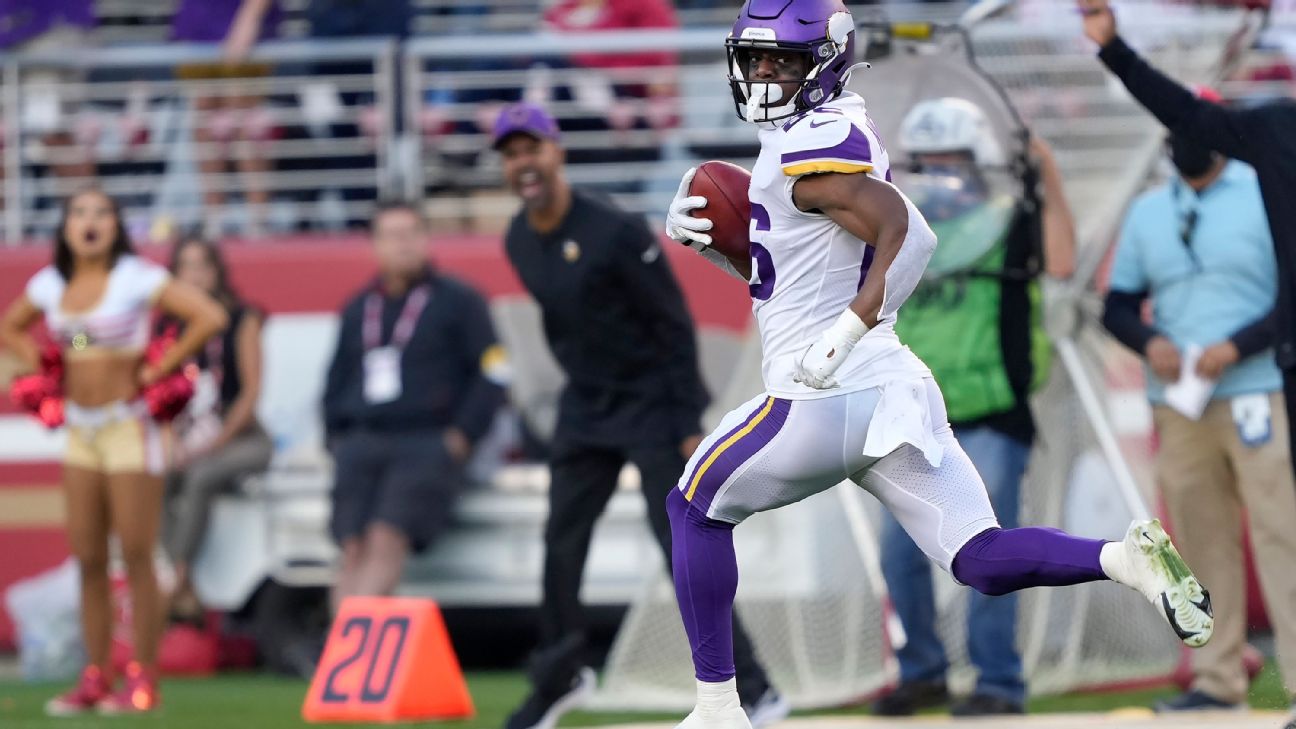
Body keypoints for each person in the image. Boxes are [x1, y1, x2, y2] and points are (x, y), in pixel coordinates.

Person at [662, 2, 1213, 727]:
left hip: (820, 395)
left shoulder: (811, 143)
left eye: (785, 61)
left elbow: (909, 234)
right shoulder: (817, 134)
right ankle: (1124, 560)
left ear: (822, 63)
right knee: (980, 558)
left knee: (693, 507)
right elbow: (799, 277)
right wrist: (728, 248)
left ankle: (718, 706)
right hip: (891, 391)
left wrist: (846, 332)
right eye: (757, 59)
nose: (765, 73)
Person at [493, 102, 787, 729]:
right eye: (511, 154)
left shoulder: (614, 229)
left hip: (653, 403)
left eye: (532, 149)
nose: (524, 163)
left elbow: (673, 326)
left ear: (556, 152)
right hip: (587, 406)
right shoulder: (517, 238)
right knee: (560, 545)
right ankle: (561, 674)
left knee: (679, 545)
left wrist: (685, 420)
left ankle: (754, 690)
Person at [872, 98, 1076, 717]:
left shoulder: (1010, 219)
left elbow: (1062, 260)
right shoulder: (898, 231)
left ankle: (998, 682)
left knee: (988, 554)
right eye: (925, 162)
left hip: (990, 417)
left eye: (952, 160)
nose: (938, 173)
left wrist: (1047, 174)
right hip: (914, 422)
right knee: (899, 557)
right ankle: (924, 672)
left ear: (980, 161)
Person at [0, 189, 227, 715]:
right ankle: (96, 675)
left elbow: (209, 317)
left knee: (138, 555)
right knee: (88, 558)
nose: (90, 221)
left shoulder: (136, 278)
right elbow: (42, 332)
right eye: (78, 213)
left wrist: (159, 367)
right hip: (81, 430)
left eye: (101, 212)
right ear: (64, 228)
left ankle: (144, 677)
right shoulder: (53, 285)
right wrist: (48, 359)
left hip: (131, 427)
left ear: (116, 225)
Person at [1102, 134, 1296, 714]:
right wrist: (1149, 340)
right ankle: (1216, 680)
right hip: (1181, 402)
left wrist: (1238, 346)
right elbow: (1117, 304)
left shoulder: (1265, 193)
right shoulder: (1148, 210)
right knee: (1199, 539)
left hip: (1260, 390)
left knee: (1283, 533)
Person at [1079, 0, 1296, 489]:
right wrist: (1114, 51)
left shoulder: (1263, 156)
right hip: (1254, 377)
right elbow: (1185, 112)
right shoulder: (1278, 130)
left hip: (1263, 381)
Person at [322, 200, 506, 613]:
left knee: (387, 537)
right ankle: (342, 658)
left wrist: (462, 436)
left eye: (411, 234)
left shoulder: (460, 301)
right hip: (361, 439)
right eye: (392, 236)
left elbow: (495, 372)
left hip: (426, 441)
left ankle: (358, 651)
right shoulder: (359, 308)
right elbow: (335, 380)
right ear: (375, 245)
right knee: (352, 545)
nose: (402, 245)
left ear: (425, 240)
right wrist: (333, 439)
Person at [162, 237, 274, 623]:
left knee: (199, 476)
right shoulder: (166, 325)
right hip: (184, 435)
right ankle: (174, 582)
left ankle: (175, 582)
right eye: (186, 266)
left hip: (235, 438)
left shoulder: (240, 318)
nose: (195, 275)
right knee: (152, 476)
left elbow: (250, 392)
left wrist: (214, 442)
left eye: (202, 265)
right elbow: (90, 336)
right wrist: (76, 338)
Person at [171, 0, 282, 236]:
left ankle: (259, 219)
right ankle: (215, 219)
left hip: (244, 22)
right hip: (198, 21)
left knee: (244, 117)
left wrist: (250, 17)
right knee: (205, 121)